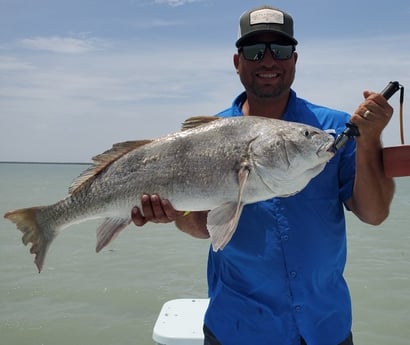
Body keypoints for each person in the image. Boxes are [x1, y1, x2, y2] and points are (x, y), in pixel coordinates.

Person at [131, 5, 394, 345]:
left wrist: (371, 139)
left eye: (280, 50)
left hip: (324, 326)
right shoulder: (207, 134)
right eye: (254, 52)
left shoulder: (329, 130)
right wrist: (175, 210)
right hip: (239, 329)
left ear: (294, 60)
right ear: (237, 62)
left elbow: (374, 214)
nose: (268, 61)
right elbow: (200, 228)